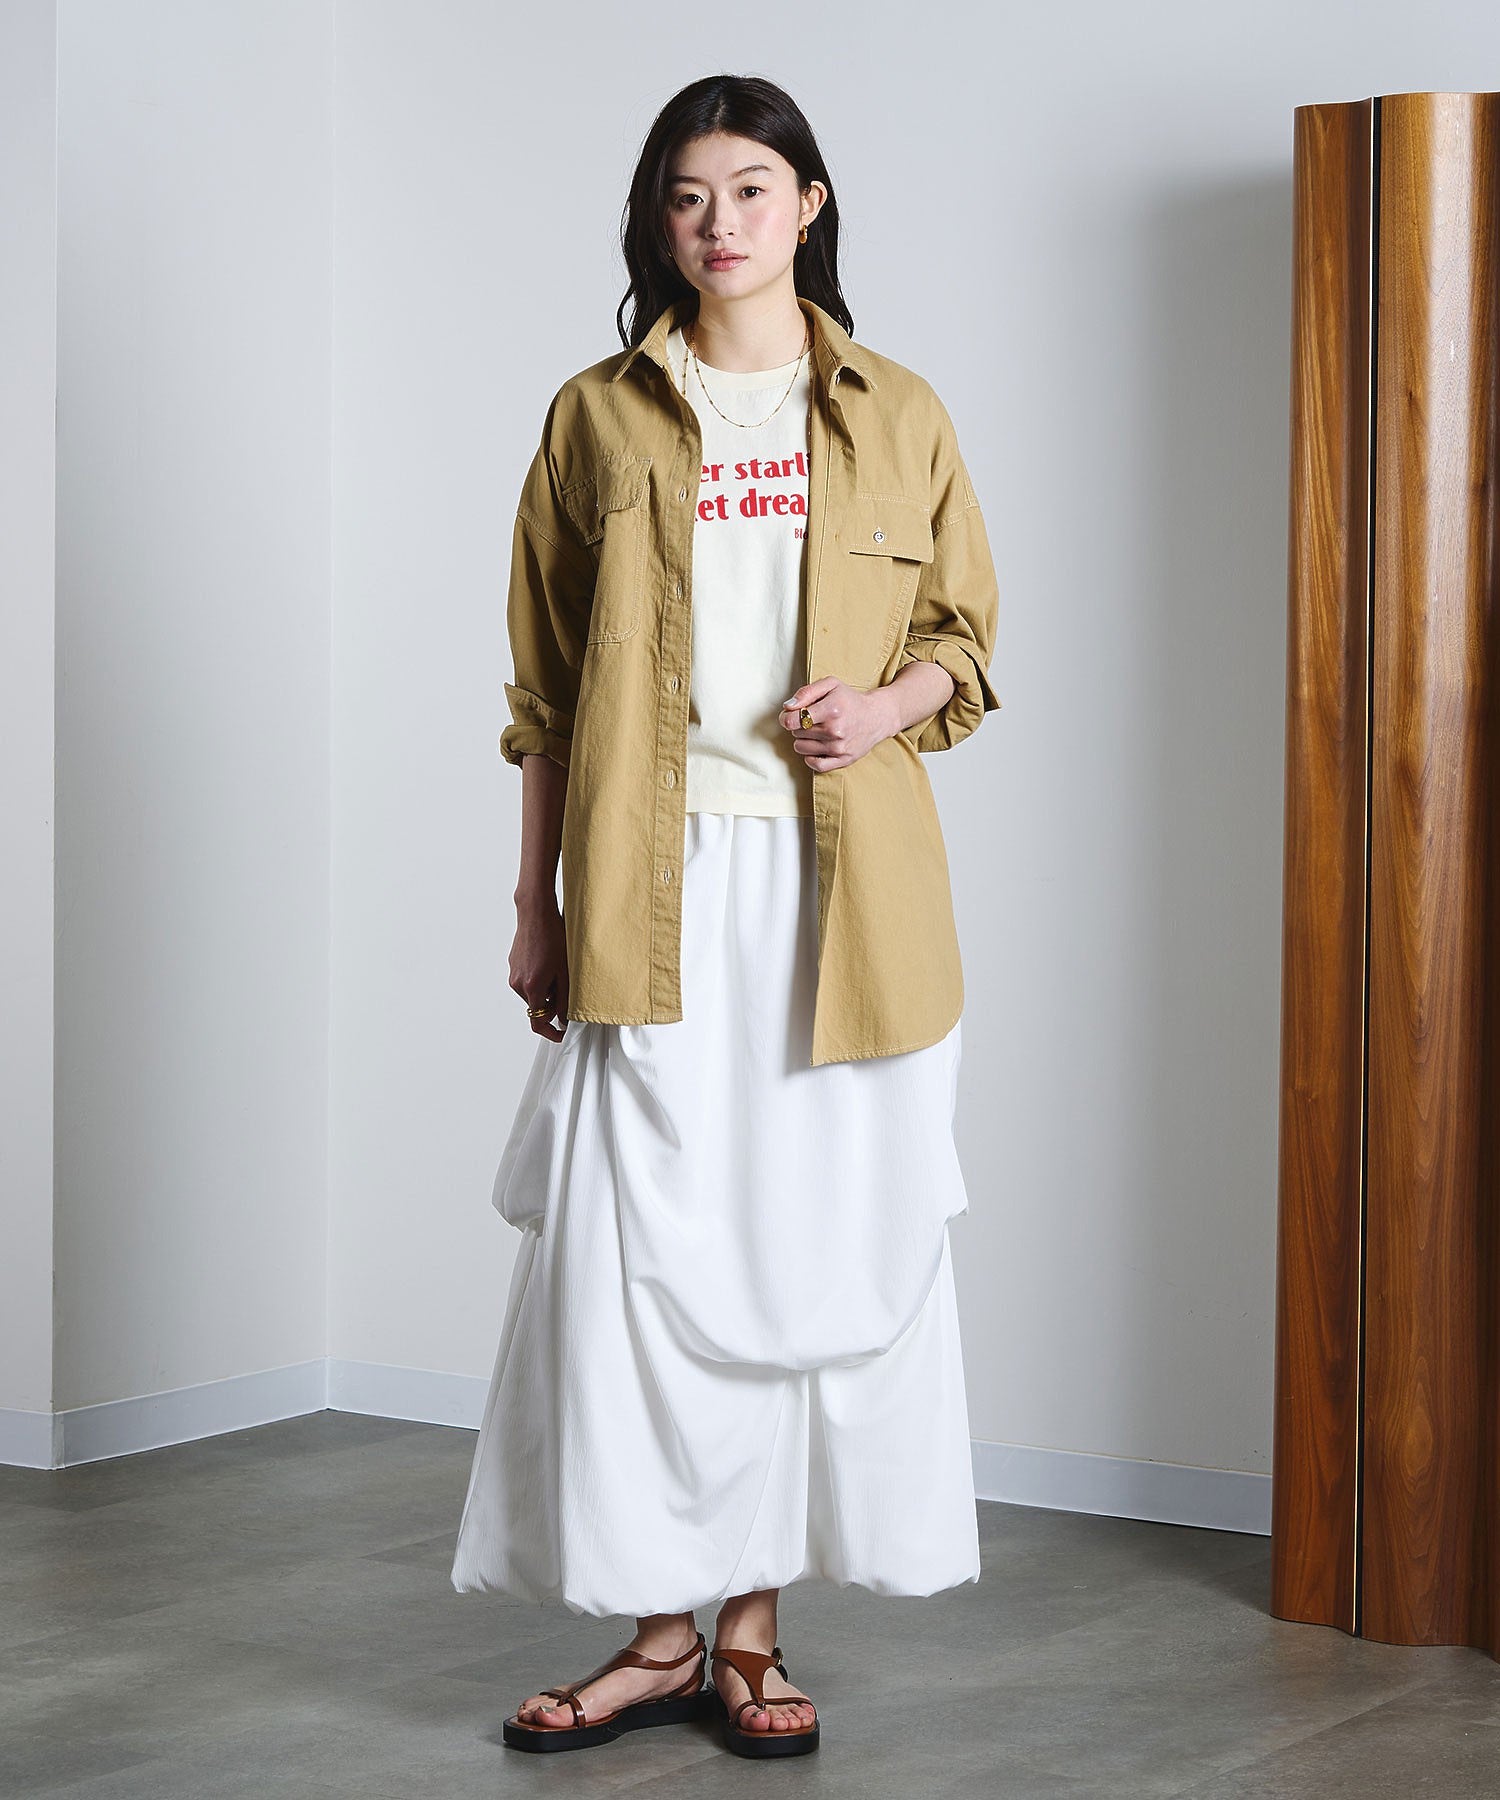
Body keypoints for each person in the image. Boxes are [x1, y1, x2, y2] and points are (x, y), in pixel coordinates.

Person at [450, 72, 1001, 1761]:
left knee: (798, 1252)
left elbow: (966, 645)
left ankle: (750, 1640)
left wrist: (883, 707)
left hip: (847, 903)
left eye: (753, 189)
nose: (721, 223)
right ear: (659, 221)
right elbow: (545, 691)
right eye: (689, 196)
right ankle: (657, 1634)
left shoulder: (898, 411)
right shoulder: (599, 417)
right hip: (649, 887)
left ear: (809, 204)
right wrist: (537, 903)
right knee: (636, 1265)